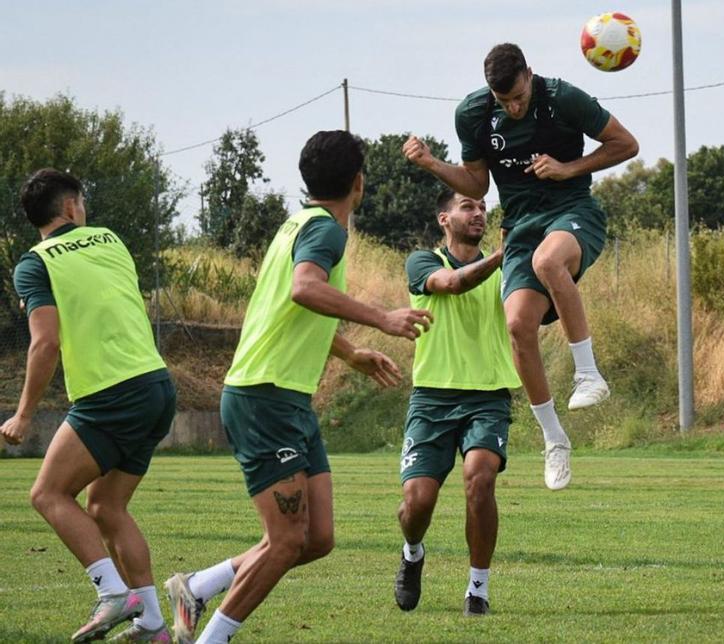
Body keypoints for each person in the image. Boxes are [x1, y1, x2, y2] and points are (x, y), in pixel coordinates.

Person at [165, 131, 432, 644]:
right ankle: (209, 638)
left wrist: (350, 352)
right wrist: (381, 318)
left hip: (284, 397)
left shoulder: (298, 224)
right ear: (359, 183)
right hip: (264, 397)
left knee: (316, 538)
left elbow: (294, 308)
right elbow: (305, 288)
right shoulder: (326, 231)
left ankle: (196, 588)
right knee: (286, 541)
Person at [403, 42, 639, 490]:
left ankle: (588, 373)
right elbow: (476, 182)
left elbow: (626, 144)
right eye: (502, 101)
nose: (512, 108)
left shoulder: (564, 98)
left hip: (573, 211)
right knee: (516, 326)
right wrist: (432, 163)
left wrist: (570, 168)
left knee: (549, 261)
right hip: (521, 225)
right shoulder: (472, 114)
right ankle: (554, 439)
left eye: (518, 97)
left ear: (530, 75)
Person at [1, 168, 176, 642]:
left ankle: (113, 593)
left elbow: (45, 343)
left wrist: (22, 415)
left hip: (110, 394)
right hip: (157, 386)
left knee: (47, 494)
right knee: (106, 505)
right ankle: (155, 624)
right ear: (72, 207)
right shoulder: (111, 240)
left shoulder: (34, 263)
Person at [392, 189, 522, 617]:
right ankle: (412, 553)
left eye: (483, 207)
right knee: (417, 503)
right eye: (468, 206)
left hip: (488, 395)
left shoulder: (506, 271)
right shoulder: (423, 262)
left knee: (479, 478)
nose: (479, 213)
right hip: (432, 397)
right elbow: (454, 283)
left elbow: (535, 304)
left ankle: (478, 590)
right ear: (444, 218)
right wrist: (504, 254)